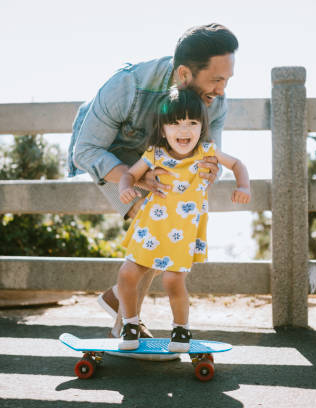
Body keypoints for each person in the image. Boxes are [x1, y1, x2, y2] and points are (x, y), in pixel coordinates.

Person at [67, 23, 239, 347]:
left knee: (171, 221)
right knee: (153, 216)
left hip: (159, 159)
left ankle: (119, 298)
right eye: (216, 80)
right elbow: (86, 151)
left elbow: (207, 160)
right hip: (109, 153)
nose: (221, 90)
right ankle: (122, 324)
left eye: (227, 80)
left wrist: (208, 171)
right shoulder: (128, 85)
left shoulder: (216, 102)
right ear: (185, 74)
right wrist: (138, 176)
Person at [116, 87, 251, 351]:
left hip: (183, 230)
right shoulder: (154, 154)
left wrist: (243, 186)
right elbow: (128, 175)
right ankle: (130, 324)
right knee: (127, 274)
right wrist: (125, 188)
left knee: (172, 280)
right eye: (175, 123)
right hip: (151, 227)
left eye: (192, 123)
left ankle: (181, 331)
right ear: (163, 128)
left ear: (202, 126)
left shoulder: (206, 152)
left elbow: (237, 165)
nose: (184, 130)